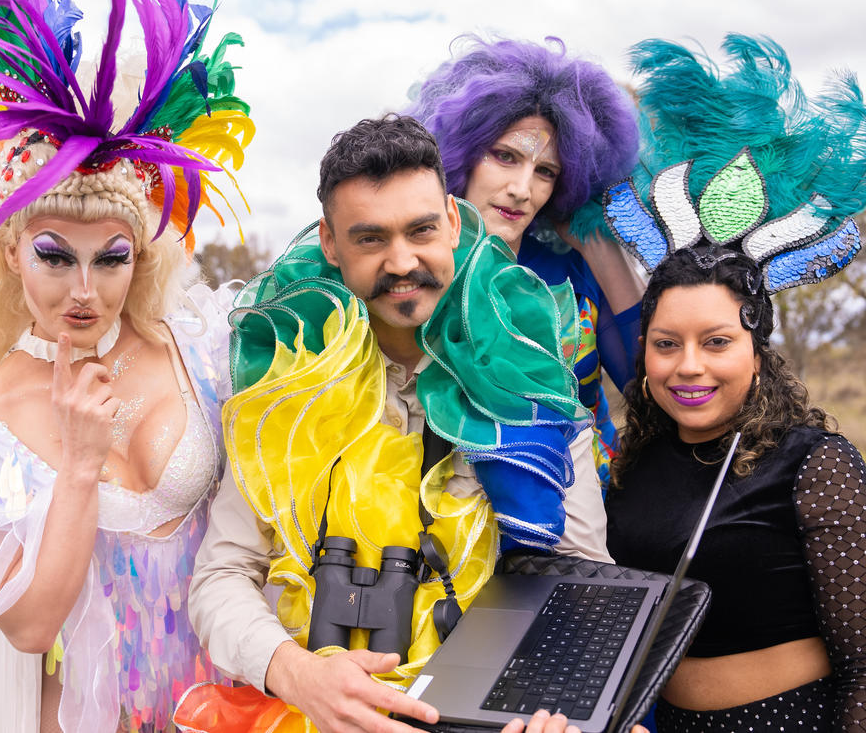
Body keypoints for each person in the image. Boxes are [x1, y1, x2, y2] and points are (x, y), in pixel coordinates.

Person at [0, 0, 253, 731]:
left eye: (109, 259)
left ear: (139, 260)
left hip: (228, 703)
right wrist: (79, 462)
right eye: (55, 256)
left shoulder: (198, 348)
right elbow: (30, 626)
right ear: (12, 254)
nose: (84, 289)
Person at [186, 114, 608, 733]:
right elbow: (222, 575)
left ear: (454, 223)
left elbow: (582, 585)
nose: (402, 261)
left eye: (421, 230)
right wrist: (298, 674)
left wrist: (551, 710)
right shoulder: (286, 389)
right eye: (370, 239)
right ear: (330, 244)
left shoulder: (533, 385)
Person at [604, 34, 866, 732]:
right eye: (666, 345)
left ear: (757, 349)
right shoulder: (638, 463)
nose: (688, 366)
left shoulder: (815, 464)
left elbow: (865, 666)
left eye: (716, 342)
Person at [407, 36, 642, 491]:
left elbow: (655, 386)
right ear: (460, 154)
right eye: (505, 156)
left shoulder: (572, 269)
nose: (522, 188)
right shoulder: (407, 268)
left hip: (590, 513)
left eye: (546, 172)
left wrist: (598, 245)